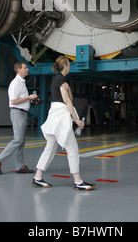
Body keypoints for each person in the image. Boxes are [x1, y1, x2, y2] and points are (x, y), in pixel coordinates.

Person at [32, 56, 95, 191]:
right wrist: (76, 120)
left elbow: (68, 97)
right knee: (72, 148)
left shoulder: (59, 80)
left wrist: (69, 89)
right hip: (60, 117)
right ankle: (78, 181)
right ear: (65, 66)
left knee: (50, 148)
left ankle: (38, 177)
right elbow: (67, 101)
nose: (70, 67)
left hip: (54, 116)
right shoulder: (61, 80)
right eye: (69, 65)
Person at [0, 61, 37, 175]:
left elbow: (20, 99)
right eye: (25, 68)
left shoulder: (21, 83)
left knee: (21, 142)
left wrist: (30, 99)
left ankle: (20, 165)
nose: (27, 69)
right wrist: (28, 97)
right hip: (17, 113)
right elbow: (13, 101)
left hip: (22, 113)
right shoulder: (16, 83)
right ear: (19, 70)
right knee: (18, 140)